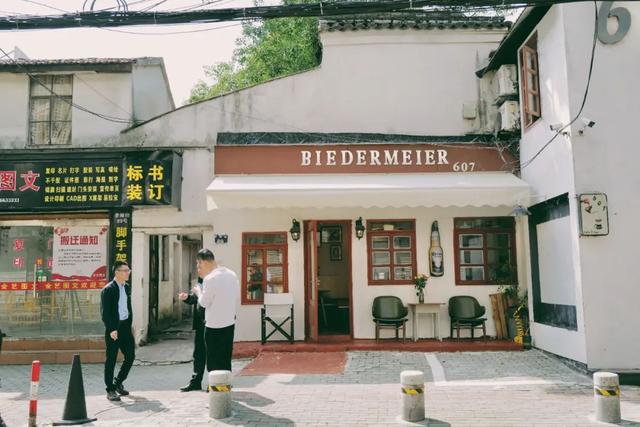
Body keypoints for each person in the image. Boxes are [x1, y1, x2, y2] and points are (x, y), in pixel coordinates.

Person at [191, 249, 239, 372]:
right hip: (229, 323)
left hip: (213, 326)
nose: (198, 267)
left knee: (213, 359)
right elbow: (235, 295)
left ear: (204, 262)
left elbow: (203, 303)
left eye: (198, 264)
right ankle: (225, 384)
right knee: (226, 357)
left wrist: (198, 292)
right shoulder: (232, 274)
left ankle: (214, 386)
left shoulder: (209, 279)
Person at [101, 260, 135, 402]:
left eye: (129, 270)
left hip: (126, 327)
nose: (128, 273)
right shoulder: (108, 289)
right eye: (125, 270)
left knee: (130, 356)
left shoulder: (126, 287)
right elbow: (105, 312)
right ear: (117, 272)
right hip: (114, 328)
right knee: (111, 359)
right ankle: (110, 389)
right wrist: (112, 329)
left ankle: (118, 382)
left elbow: (126, 307)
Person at [178, 276, 206, 392]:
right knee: (198, 354)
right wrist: (187, 298)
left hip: (212, 322)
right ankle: (195, 382)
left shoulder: (214, 281)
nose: (198, 269)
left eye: (200, 266)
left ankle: (214, 383)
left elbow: (205, 300)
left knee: (212, 354)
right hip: (200, 324)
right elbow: (195, 299)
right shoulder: (200, 282)